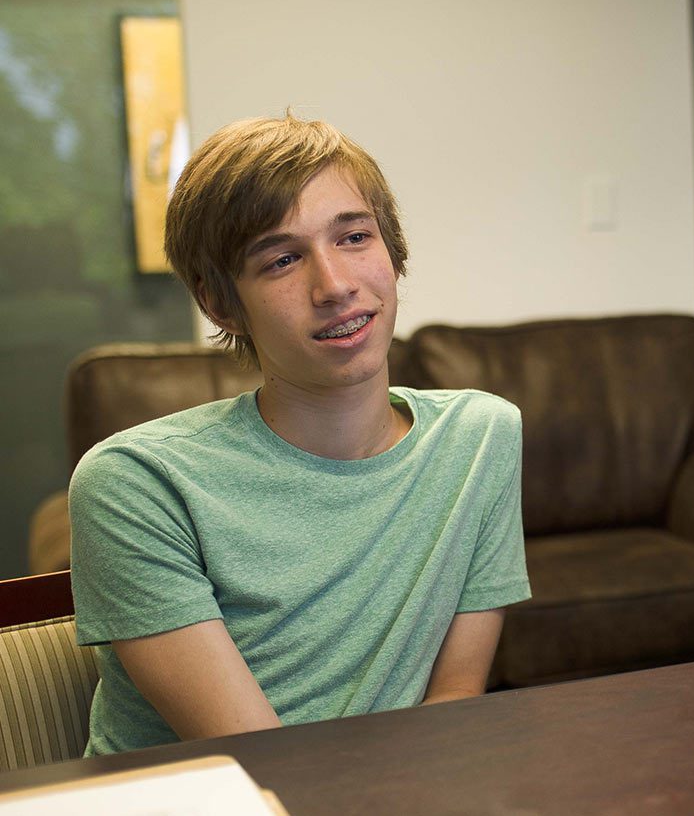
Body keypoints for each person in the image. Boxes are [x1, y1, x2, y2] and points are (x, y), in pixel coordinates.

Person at [69, 115, 531, 754]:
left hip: (399, 783)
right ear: (221, 304)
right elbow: (264, 760)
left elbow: (452, 704)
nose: (336, 285)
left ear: (393, 252)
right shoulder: (136, 483)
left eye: (355, 237)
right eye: (282, 259)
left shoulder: (481, 438)